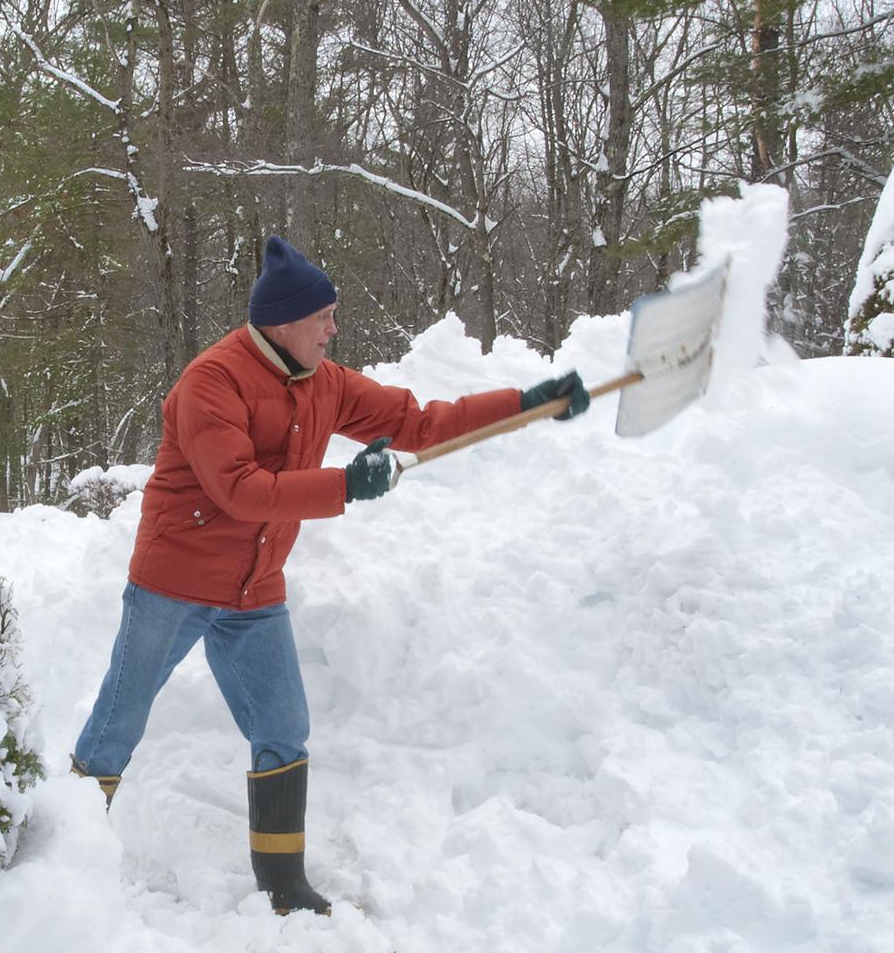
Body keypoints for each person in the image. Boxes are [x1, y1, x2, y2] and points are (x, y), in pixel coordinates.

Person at [70, 234, 590, 915]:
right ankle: (58, 872)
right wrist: (343, 486)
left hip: (255, 590)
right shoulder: (212, 382)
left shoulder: (326, 384)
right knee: (117, 726)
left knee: (283, 728)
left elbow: (423, 422)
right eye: (325, 318)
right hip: (176, 582)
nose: (334, 330)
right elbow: (240, 489)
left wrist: (527, 403)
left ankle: (283, 885)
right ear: (286, 322)